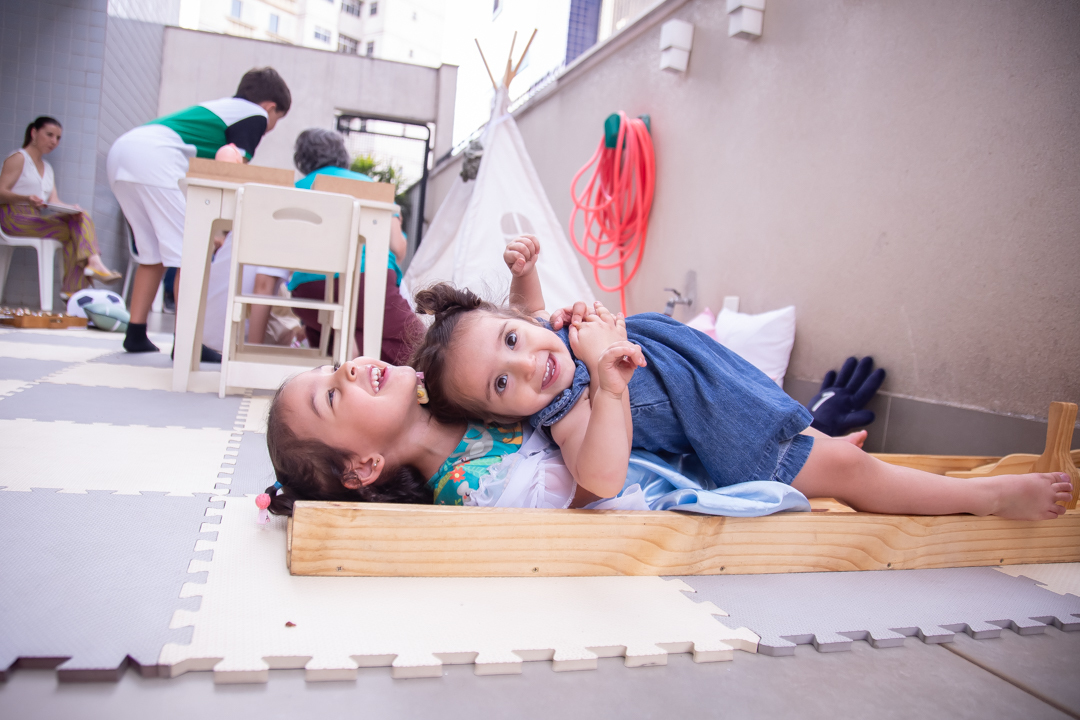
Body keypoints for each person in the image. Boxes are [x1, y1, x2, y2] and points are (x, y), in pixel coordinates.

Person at [405, 235, 1073, 521]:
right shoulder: (566, 407)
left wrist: (524, 274)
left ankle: (818, 443)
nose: (526, 362)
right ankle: (987, 500)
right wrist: (608, 383)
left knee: (824, 451)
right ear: (504, 419)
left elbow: (525, 311)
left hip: (728, 394)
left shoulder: (554, 332)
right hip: (733, 441)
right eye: (501, 384)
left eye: (513, 340)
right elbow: (600, 478)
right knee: (856, 479)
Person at [106, 67, 291, 356]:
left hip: (124, 153)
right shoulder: (253, 114)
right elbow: (232, 169)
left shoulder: (222, 109)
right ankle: (189, 343)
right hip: (154, 160)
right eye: (276, 120)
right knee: (191, 255)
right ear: (270, 107)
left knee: (152, 254)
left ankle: (136, 333)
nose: (270, 127)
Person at [285, 127, 420, 364]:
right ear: (343, 156)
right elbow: (398, 248)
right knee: (421, 347)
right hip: (367, 280)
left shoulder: (293, 190)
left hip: (309, 292)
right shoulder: (367, 186)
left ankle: (342, 373)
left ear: (301, 160)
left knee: (351, 328)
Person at [0, 117, 121, 298]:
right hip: (13, 219)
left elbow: (54, 200)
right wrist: (26, 198)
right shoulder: (19, 158)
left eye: (58, 138)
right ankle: (76, 286)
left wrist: (71, 208)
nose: (54, 142)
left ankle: (79, 282)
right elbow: (1, 192)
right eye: (49, 135)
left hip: (35, 219)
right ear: (34, 132)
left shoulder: (47, 168)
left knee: (79, 220)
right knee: (75, 230)